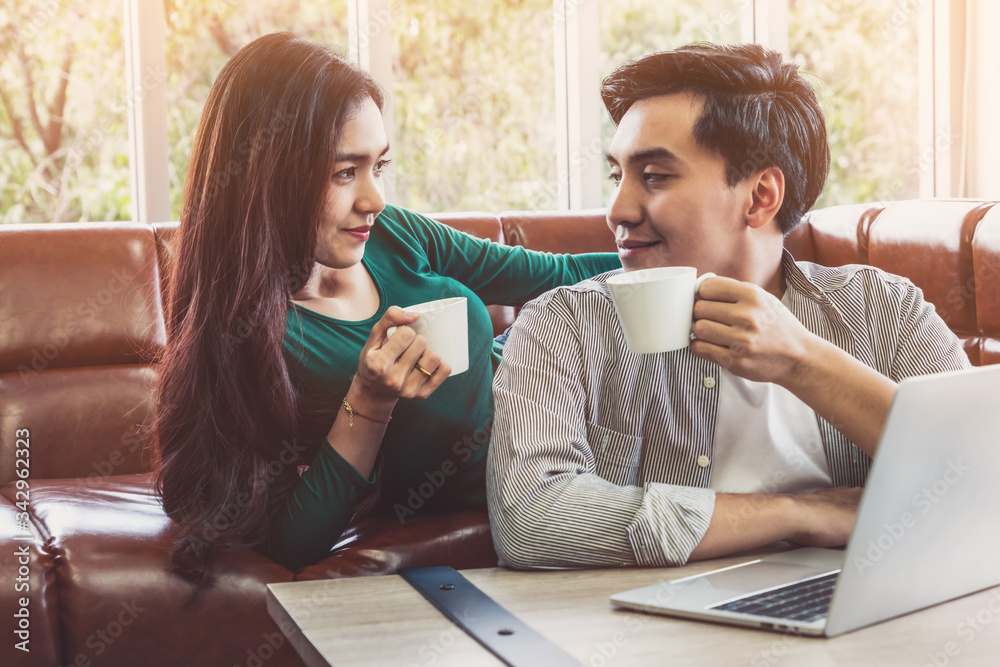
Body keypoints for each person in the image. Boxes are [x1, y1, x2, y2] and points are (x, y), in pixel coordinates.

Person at [154, 32, 620, 581]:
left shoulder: (391, 233)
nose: (373, 199)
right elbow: (291, 542)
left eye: (378, 166)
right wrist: (368, 404)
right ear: (266, 178)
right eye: (343, 172)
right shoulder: (249, 338)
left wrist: (686, 257)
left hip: (564, 401)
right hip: (536, 474)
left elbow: (553, 277)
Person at [486, 43, 969, 570]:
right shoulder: (564, 324)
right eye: (616, 176)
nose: (618, 210)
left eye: (654, 177)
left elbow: (979, 472)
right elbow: (529, 520)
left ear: (761, 196)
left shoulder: (885, 310)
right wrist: (798, 513)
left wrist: (802, 361)